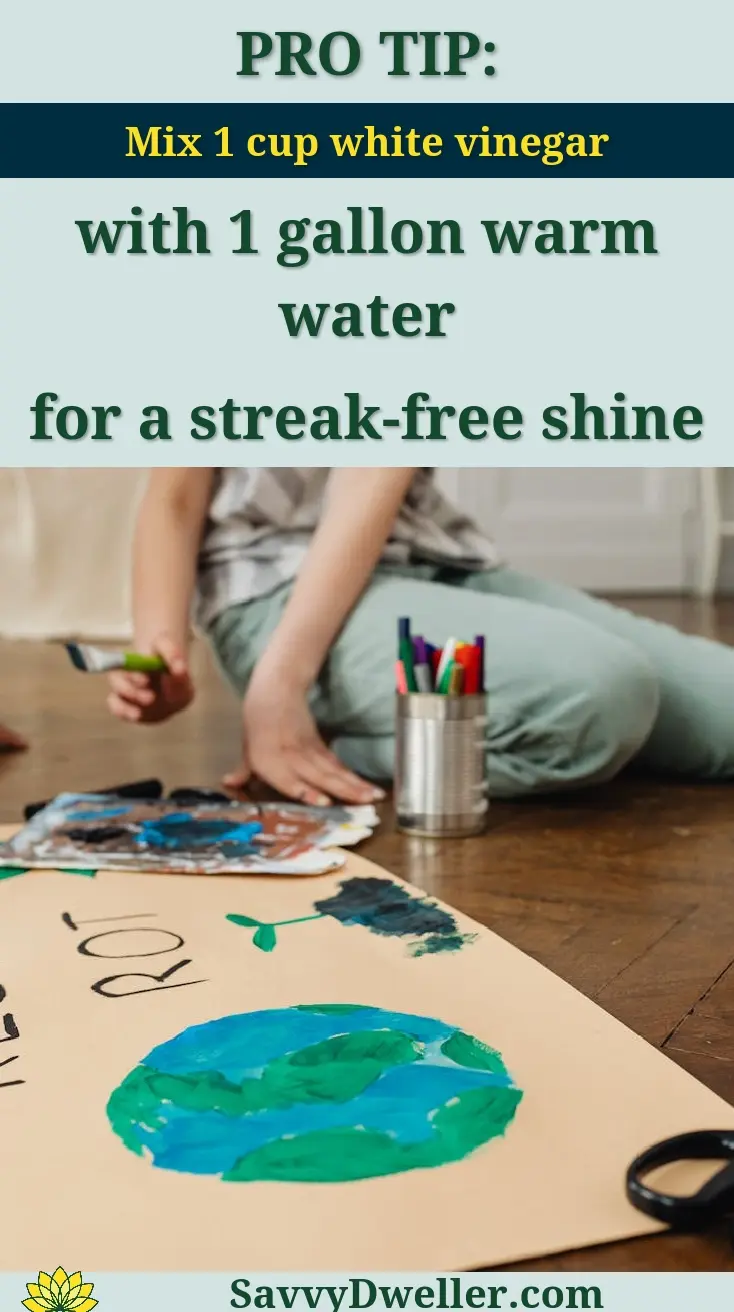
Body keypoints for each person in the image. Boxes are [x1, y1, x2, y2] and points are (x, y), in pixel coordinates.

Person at [107, 468, 734, 805]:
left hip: (445, 560)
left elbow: (373, 478)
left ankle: (334, 736)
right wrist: (163, 649)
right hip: (276, 596)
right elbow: (174, 495)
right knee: (601, 695)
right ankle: (334, 750)